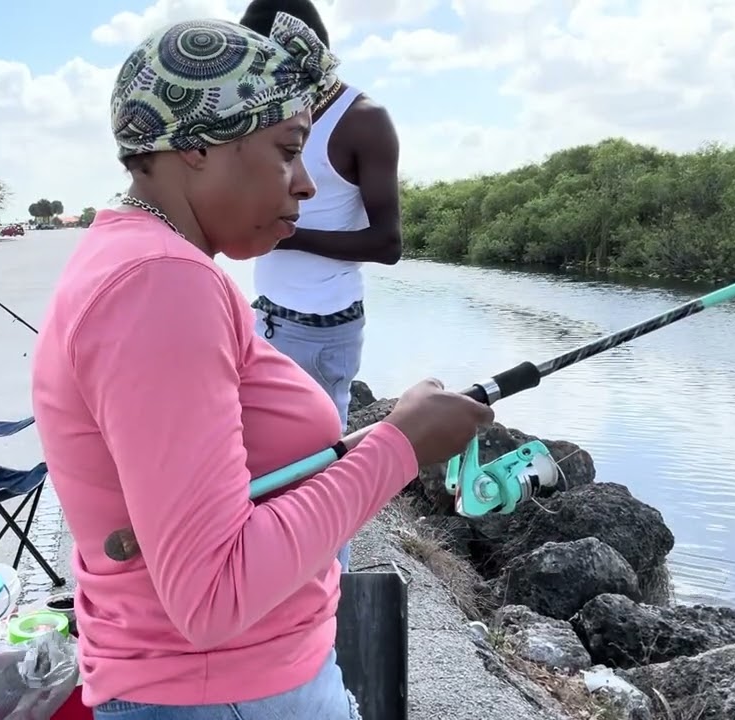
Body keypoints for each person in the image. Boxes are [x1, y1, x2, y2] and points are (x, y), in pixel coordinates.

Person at [30, 13, 493, 719]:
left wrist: (376, 443)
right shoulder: (160, 284)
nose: (305, 185)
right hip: (228, 692)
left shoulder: (145, 262)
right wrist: (399, 448)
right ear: (196, 147)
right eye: (286, 150)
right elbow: (213, 595)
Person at [240, 0, 403, 572]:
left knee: (314, 474)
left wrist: (284, 236)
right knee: (270, 472)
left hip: (318, 328)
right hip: (269, 315)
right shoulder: (278, 112)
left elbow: (389, 245)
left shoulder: (362, 119)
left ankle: (328, 601)